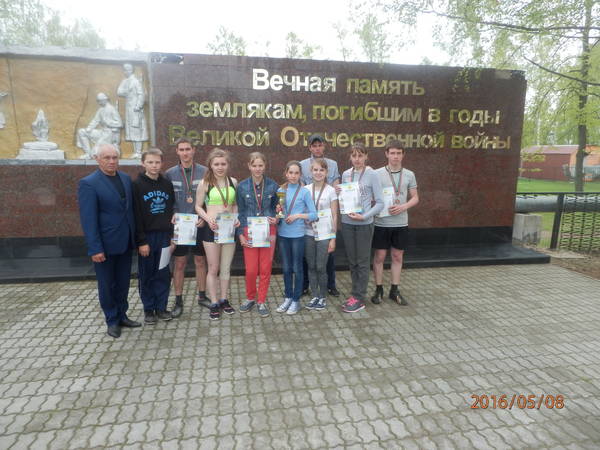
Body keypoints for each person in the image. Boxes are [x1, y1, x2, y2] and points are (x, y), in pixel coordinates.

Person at [78, 144, 139, 338]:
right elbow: (88, 219)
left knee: (123, 283)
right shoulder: (89, 183)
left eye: (114, 157)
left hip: (125, 242)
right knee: (107, 284)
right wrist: (95, 248)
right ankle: (112, 320)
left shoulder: (125, 179)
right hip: (105, 245)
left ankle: (122, 315)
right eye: (107, 158)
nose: (112, 161)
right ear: (97, 159)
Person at [164, 138, 208, 318]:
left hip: (199, 223)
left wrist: (205, 217)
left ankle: (202, 296)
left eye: (188, 149)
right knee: (180, 263)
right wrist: (173, 213)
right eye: (181, 149)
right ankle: (178, 301)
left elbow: (209, 197)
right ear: (177, 151)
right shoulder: (170, 174)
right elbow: (168, 199)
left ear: (193, 150)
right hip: (180, 225)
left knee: (200, 261)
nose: (185, 153)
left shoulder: (205, 171)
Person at [338, 142, 383, 313]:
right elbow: (345, 198)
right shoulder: (346, 174)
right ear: (350, 157)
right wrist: (339, 194)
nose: (357, 159)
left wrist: (364, 216)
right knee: (352, 261)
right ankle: (354, 294)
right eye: (354, 155)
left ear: (366, 156)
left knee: (362, 262)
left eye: (360, 155)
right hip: (347, 223)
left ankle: (359, 297)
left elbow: (380, 203)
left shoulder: (372, 174)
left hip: (364, 224)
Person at [371, 140, 419, 305]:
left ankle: (394, 290)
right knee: (379, 256)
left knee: (397, 256)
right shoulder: (376, 174)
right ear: (386, 154)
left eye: (399, 153)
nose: (395, 156)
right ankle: (378, 289)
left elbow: (415, 197)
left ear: (403, 155)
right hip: (381, 223)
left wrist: (403, 206)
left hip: (400, 223)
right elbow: (371, 196)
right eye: (392, 153)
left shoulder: (409, 174)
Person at [132, 148, 176, 324]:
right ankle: (149, 309)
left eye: (157, 162)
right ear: (143, 163)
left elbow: (171, 210)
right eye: (150, 162)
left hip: (164, 236)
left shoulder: (166, 184)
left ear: (162, 163)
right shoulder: (137, 185)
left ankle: (161, 307)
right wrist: (141, 241)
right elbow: (136, 215)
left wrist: (172, 236)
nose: (154, 165)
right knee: (147, 274)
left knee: (163, 273)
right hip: (147, 238)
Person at [195, 148, 240, 320]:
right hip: (211, 229)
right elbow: (198, 206)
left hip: (228, 228)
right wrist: (208, 219)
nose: (220, 167)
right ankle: (214, 302)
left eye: (223, 164)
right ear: (211, 165)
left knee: (226, 267)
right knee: (213, 268)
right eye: (216, 164)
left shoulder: (233, 182)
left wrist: (236, 217)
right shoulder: (204, 183)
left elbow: (234, 204)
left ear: (228, 165)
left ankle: (223, 299)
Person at [236, 152, 279, 317]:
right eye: (254, 165)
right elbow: (240, 212)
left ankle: (261, 301)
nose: (258, 169)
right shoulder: (242, 186)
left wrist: (276, 218)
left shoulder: (273, 186)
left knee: (265, 268)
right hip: (249, 231)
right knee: (251, 270)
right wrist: (240, 234)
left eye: (260, 165)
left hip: (268, 230)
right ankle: (250, 297)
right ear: (249, 166)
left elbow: (278, 208)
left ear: (265, 166)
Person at [300, 134, 341, 297]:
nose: (317, 148)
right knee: (308, 260)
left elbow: (336, 185)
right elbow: (302, 189)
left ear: (324, 146)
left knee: (327, 258)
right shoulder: (303, 164)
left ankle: (330, 286)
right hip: (309, 224)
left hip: (325, 221)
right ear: (310, 147)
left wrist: (333, 191)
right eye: (314, 145)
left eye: (320, 145)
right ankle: (306, 286)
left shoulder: (333, 164)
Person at [276, 161, 318, 315]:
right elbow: (279, 214)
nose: (293, 176)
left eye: (296, 173)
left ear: (300, 175)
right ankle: (288, 297)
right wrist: (277, 212)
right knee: (286, 268)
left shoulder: (304, 192)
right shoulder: (281, 190)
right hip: (283, 234)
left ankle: (296, 300)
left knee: (297, 268)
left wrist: (297, 216)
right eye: (290, 173)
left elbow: (314, 214)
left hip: (298, 235)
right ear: (286, 173)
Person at [304, 158, 338, 311]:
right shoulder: (305, 189)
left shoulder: (331, 190)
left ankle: (322, 296)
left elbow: (334, 215)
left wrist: (333, 238)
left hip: (325, 235)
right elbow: (302, 211)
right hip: (308, 233)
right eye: (315, 170)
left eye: (321, 170)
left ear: (326, 172)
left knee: (320, 266)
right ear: (311, 171)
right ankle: (315, 295)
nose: (318, 173)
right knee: (311, 266)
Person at [76, 92, 123, 158]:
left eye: (100, 101)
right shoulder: (100, 110)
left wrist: (109, 123)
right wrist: (89, 129)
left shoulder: (112, 109)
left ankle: (91, 154)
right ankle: (87, 153)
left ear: (105, 100)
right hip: (102, 132)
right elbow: (95, 120)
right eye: (98, 101)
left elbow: (120, 124)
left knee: (96, 151)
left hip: (109, 134)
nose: (99, 103)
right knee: (82, 132)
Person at [117, 63, 148, 158]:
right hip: (129, 109)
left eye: (127, 69)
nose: (125, 71)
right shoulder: (125, 81)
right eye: (124, 70)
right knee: (132, 131)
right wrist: (127, 92)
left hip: (136, 109)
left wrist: (138, 106)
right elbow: (119, 92)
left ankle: (138, 152)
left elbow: (141, 94)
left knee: (137, 129)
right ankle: (136, 152)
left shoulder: (136, 81)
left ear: (131, 70)